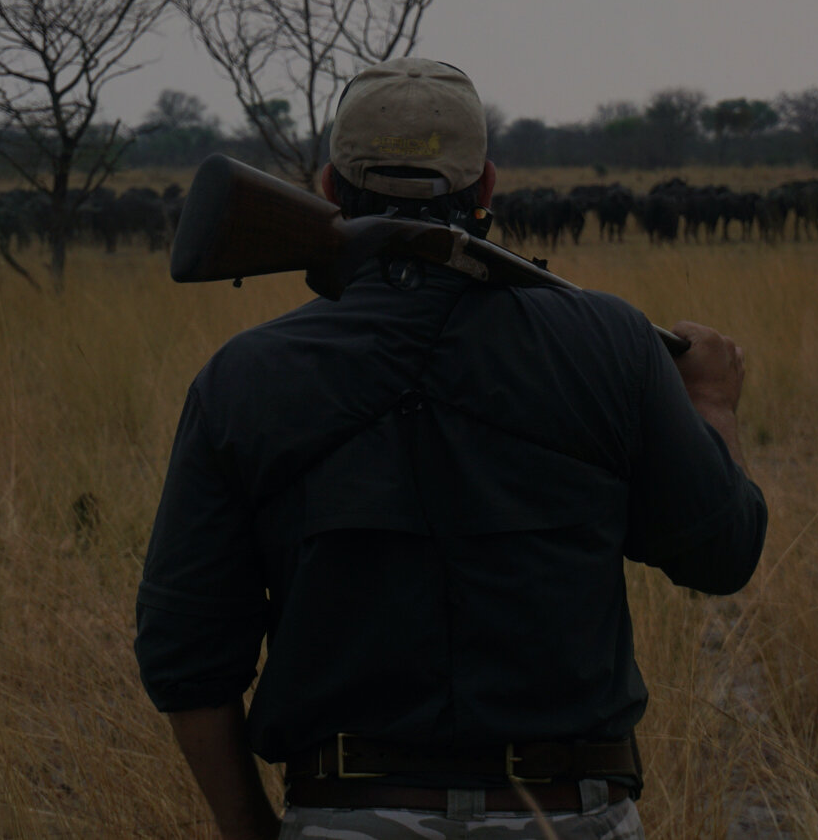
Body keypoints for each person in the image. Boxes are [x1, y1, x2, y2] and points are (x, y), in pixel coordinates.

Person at [135, 58, 768, 839]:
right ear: (488, 186)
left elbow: (184, 651)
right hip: (573, 816)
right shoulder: (612, 343)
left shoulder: (243, 376)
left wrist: (251, 830)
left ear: (329, 186)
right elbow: (723, 553)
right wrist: (710, 401)